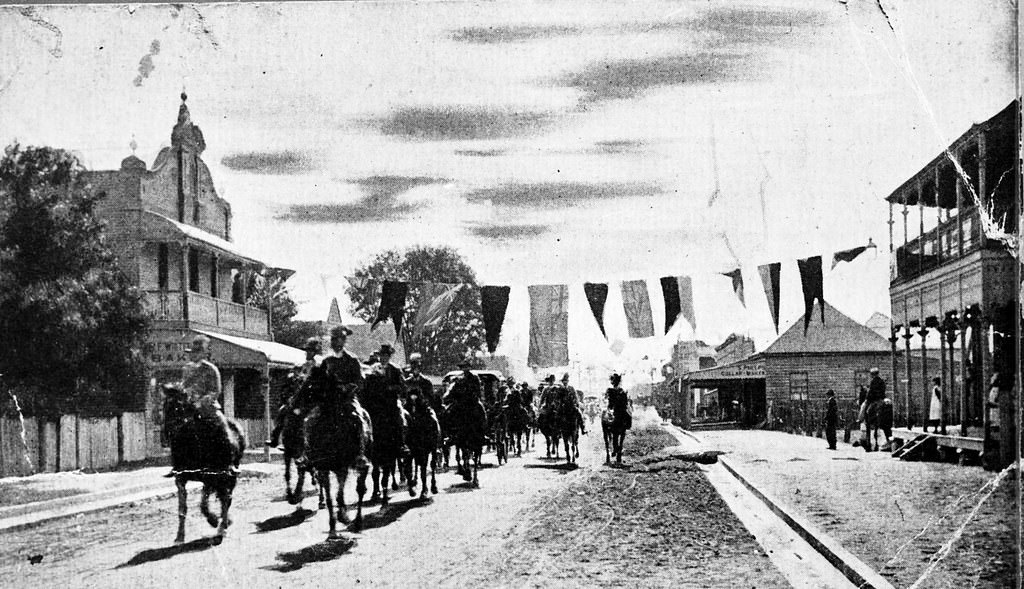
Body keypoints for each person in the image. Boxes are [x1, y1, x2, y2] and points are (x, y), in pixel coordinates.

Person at [166, 334, 232, 476]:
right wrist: (180, 391)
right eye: (191, 353)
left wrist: (202, 401)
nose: (193, 356)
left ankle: (229, 463)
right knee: (179, 431)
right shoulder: (187, 369)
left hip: (209, 408)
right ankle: (178, 464)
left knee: (222, 427)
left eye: (196, 353)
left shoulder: (211, 369)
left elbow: (216, 390)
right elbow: (185, 386)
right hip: (190, 408)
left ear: (203, 354)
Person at [266, 337, 322, 448]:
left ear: (315, 352)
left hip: (312, 398)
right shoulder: (301, 366)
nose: (307, 353)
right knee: (284, 410)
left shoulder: (318, 366)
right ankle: (276, 438)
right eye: (307, 350)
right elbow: (296, 380)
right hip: (300, 396)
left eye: (310, 350)